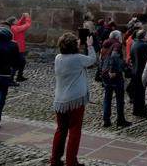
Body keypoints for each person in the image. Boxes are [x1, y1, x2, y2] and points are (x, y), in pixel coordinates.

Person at [50, 33, 96, 166]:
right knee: (75, 130)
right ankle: (71, 162)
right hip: (75, 99)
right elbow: (92, 59)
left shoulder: (58, 58)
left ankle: (55, 160)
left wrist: (76, 44)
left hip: (60, 100)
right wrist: (89, 45)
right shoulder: (77, 58)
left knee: (61, 130)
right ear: (73, 46)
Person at [100, 30, 131, 128]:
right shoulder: (117, 45)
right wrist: (113, 70)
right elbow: (114, 56)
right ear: (117, 37)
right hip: (114, 75)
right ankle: (120, 120)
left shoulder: (105, 45)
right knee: (119, 98)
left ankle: (106, 120)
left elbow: (101, 59)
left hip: (105, 75)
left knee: (107, 98)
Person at [130, 29, 147, 117]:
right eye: (146, 35)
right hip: (142, 71)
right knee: (142, 93)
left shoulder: (134, 44)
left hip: (135, 71)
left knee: (137, 93)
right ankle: (141, 111)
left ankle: (136, 110)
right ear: (144, 36)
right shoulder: (144, 46)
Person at [9, 13, 32, 85]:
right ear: (13, 22)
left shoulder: (14, 26)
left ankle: (19, 76)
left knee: (22, 62)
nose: (17, 21)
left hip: (19, 49)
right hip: (18, 49)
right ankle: (10, 80)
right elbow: (27, 25)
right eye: (16, 20)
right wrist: (28, 17)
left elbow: (20, 22)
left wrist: (23, 17)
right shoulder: (15, 28)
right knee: (16, 65)